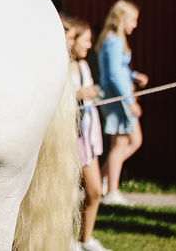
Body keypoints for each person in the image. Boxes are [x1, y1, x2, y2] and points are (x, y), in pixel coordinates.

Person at [97, 0, 147, 206]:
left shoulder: (115, 40)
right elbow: (115, 75)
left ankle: (102, 179)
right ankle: (111, 191)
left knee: (134, 140)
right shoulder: (114, 41)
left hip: (120, 96)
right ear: (121, 19)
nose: (135, 24)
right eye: (132, 20)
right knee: (121, 144)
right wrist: (129, 101)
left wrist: (134, 75)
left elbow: (120, 69)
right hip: (117, 98)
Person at [65, 17, 110, 251]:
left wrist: (91, 93)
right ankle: (64, 239)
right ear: (72, 41)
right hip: (69, 140)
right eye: (86, 40)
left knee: (95, 190)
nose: (90, 45)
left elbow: (91, 92)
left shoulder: (84, 66)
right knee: (66, 195)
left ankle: (86, 239)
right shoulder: (63, 67)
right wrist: (78, 95)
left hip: (87, 137)